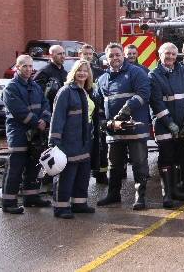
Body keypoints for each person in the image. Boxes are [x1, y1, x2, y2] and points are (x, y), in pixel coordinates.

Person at [96, 42, 151, 210]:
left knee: (139, 163)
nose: (115, 58)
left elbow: (144, 93)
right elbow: (98, 103)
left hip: (135, 128)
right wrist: (104, 122)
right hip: (115, 130)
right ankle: (114, 194)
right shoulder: (103, 79)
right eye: (111, 56)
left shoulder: (136, 72)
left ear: (123, 56)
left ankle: (139, 197)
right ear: (107, 58)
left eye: (117, 55)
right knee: (114, 164)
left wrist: (127, 109)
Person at [1, 55, 52, 214]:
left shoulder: (35, 86)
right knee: (15, 168)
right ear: (17, 67)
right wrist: (38, 122)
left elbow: (45, 104)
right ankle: (8, 202)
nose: (29, 69)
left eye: (31, 66)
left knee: (34, 166)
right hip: (18, 133)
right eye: (25, 66)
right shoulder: (11, 88)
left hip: (35, 133)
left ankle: (31, 198)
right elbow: (19, 111)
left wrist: (44, 118)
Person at [149, 42, 184, 208]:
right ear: (160, 55)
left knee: (179, 157)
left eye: (173, 54)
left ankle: (176, 190)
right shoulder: (154, 75)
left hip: (183, 124)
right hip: (164, 126)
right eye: (166, 54)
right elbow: (156, 104)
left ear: (177, 56)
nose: (170, 57)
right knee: (166, 158)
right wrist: (170, 124)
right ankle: (167, 195)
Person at [49, 59, 96, 219]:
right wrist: (54, 141)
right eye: (79, 70)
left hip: (83, 142)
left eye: (85, 71)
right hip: (68, 141)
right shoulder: (65, 91)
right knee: (66, 175)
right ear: (73, 73)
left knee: (82, 174)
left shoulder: (85, 91)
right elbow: (58, 117)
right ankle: (61, 207)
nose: (82, 73)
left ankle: (79, 204)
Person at [79, 44, 109, 185]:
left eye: (90, 54)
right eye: (85, 54)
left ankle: (101, 174)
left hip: (98, 114)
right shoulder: (75, 71)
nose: (88, 56)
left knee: (101, 145)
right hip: (82, 115)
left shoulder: (99, 72)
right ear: (80, 54)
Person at [34, 45, 68, 111]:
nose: (63, 56)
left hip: (63, 109)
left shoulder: (65, 73)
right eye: (59, 54)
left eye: (64, 53)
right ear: (51, 55)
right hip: (49, 111)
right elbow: (37, 94)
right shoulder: (43, 72)